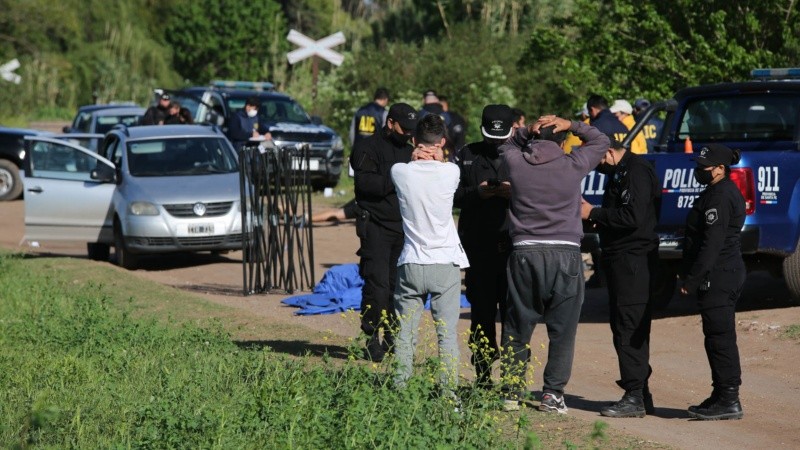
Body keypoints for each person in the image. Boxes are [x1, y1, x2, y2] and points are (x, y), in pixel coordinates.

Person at [498, 115, 609, 413]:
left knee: (518, 324)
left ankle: (510, 390)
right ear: (562, 141)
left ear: (534, 137)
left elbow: (505, 143)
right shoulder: (573, 165)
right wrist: (571, 124)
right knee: (562, 329)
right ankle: (552, 394)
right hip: (566, 254)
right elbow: (602, 141)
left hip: (524, 253)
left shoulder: (517, 164)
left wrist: (525, 130)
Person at [390, 113, 469, 396]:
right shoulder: (451, 172)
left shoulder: (399, 171)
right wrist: (438, 157)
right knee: (446, 336)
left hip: (411, 260)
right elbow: (446, 167)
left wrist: (416, 158)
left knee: (405, 334)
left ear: (414, 141)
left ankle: (400, 391)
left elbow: (408, 167)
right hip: (444, 262)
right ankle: (449, 396)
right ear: (442, 143)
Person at [580, 140, 660, 418]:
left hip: (633, 261)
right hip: (621, 259)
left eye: (598, 161)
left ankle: (635, 396)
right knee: (624, 325)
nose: (597, 167)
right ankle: (640, 391)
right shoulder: (620, 171)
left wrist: (594, 213)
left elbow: (632, 217)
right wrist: (598, 219)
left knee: (629, 326)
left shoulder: (636, 171)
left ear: (608, 152)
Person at [679, 144, 746, 421]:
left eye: (704, 168)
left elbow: (712, 244)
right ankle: (720, 394)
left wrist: (692, 278)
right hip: (722, 272)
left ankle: (729, 399)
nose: (699, 172)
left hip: (719, 274)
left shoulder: (720, 196)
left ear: (720, 169)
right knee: (716, 336)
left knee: (720, 338)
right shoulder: (716, 191)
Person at [352, 102, 419, 361]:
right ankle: (371, 336)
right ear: (390, 123)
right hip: (376, 227)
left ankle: (392, 335)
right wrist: (401, 175)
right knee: (377, 287)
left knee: (398, 287)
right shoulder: (367, 148)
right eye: (405, 129)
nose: (409, 135)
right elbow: (366, 185)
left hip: (403, 227)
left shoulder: (411, 150)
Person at [454, 104, 514, 386]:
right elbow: (452, 196)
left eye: (501, 139)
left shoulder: (522, 156)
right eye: (492, 138)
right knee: (481, 316)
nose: (497, 144)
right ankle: (483, 376)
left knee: (514, 318)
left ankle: (513, 381)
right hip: (478, 250)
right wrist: (476, 193)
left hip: (512, 249)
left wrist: (510, 193)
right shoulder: (467, 154)